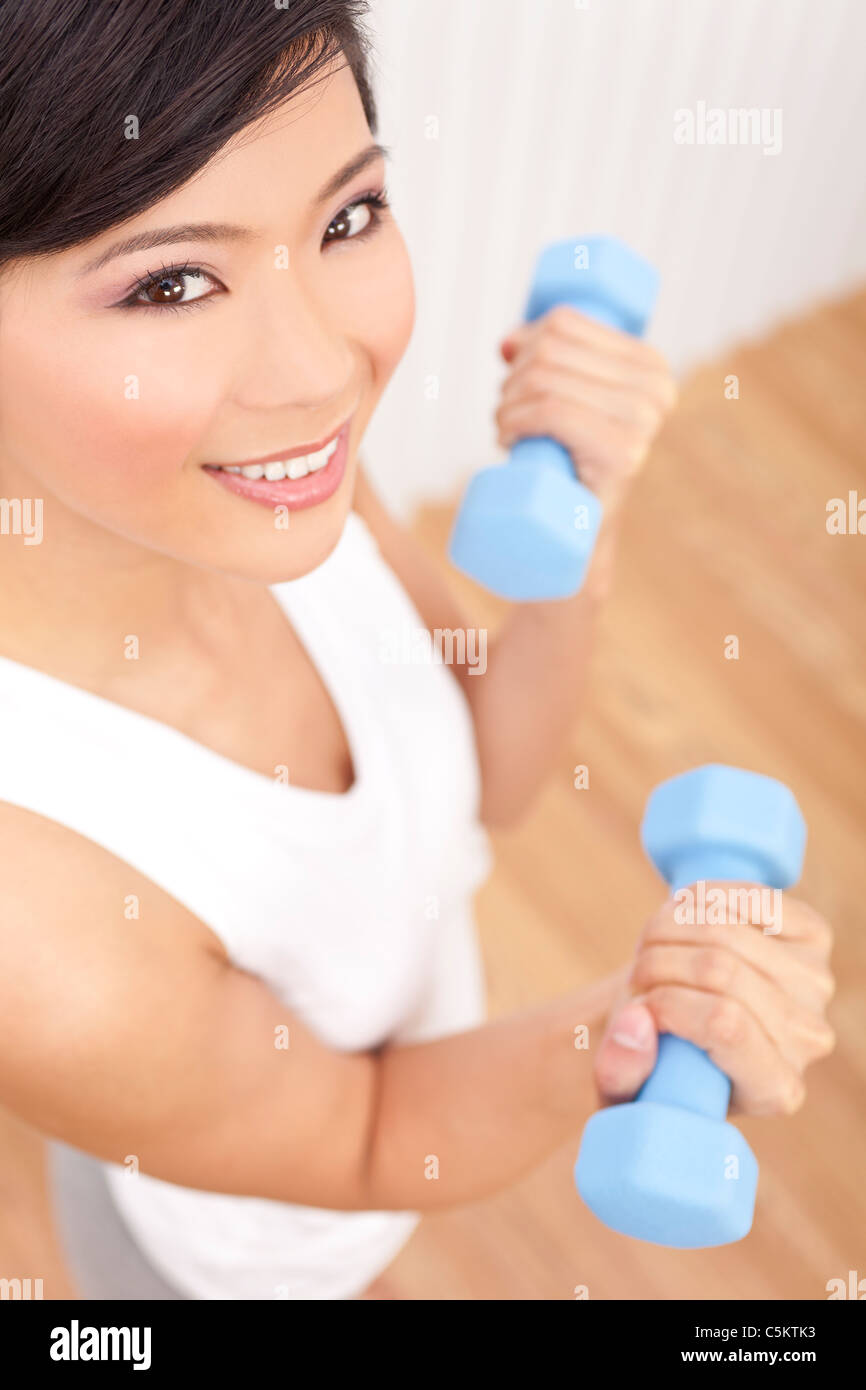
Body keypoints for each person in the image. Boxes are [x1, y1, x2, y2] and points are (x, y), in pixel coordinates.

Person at [0, 0, 835, 1301]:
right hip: (236, 1253)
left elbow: (483, 774)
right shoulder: (31, 919)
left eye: (344, 218)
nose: (326, 365)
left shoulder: (272, 485)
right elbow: (371, 1131)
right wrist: (619, 1028)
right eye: (171, 281)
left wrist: (579, 550)